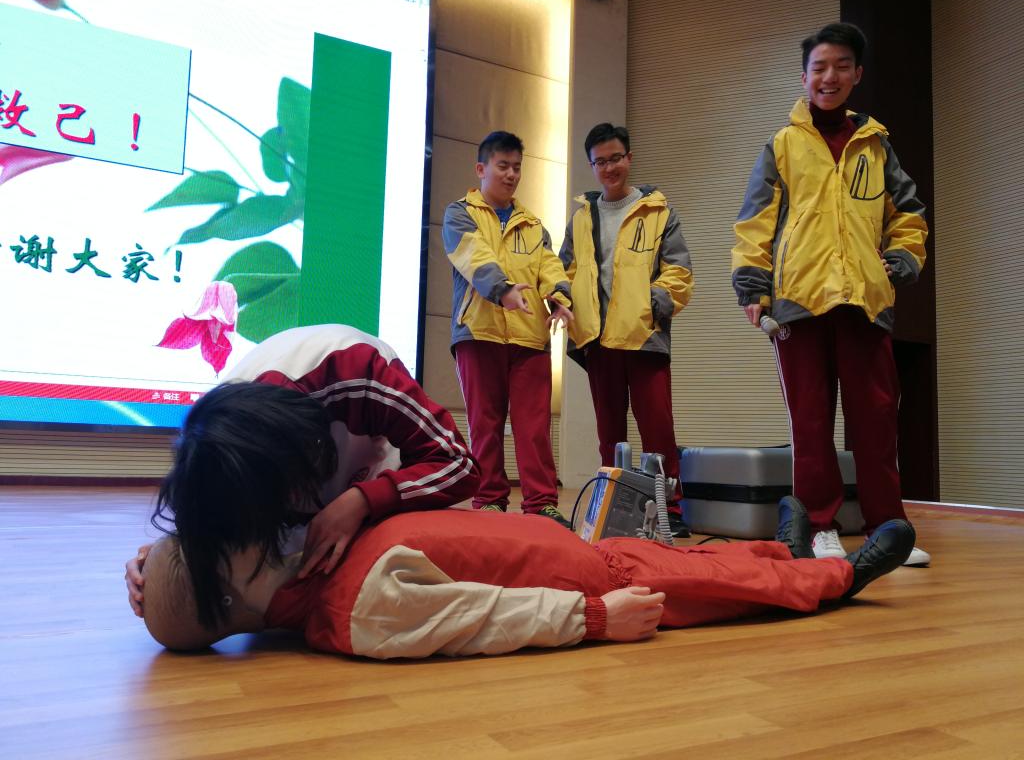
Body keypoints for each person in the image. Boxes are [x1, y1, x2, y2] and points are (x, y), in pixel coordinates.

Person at [140, 497, 916, 658]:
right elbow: (483, 618)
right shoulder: (357, 611)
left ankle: (787, 554)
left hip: (583, 552)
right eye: (225, 550)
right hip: (594, 586)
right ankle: (838, 578)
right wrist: (595, 619)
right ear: (233, 598)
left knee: (708, 562)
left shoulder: (314, 558)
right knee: (730, 596)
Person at [125, 323, 480, 628]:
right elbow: (213, 517)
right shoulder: (216, 447)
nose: (300, 504)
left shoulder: (355, 370)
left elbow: (460, 465)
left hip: (377, 463)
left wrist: (362, 500)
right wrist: (163, 563)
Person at [731, 23, 930, 566]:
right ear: (804, 77)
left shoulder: (876, 145)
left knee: (877, 422)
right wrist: (752, 285)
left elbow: (908, 214)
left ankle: (888, 529)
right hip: (799, 301)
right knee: (811, 423)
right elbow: (755, 222)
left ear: (857, 74)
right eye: (819, 67)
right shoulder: (782, 145)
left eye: (842, 66)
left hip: (865, 301)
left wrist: (901, 260)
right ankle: (820, 526)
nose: (829, 76)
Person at [559, 123, 694, 514]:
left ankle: (669, 510)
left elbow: (679, 271)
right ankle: (614, 510)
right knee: (609, 436)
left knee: (658, 431)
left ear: (629, 158)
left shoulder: (659, 212)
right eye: (600, 161)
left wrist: (650, 306)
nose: (609, 167)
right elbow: (565, 270)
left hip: (644, 336)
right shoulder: (581, 218)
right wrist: (562, 302)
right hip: (599, 341)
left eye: (615, 158)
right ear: (591, 166)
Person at [442, 131, 574, 525]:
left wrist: (560, 298)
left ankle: (541, 503)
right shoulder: (459, 214)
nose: (512, 174)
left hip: (530, 336)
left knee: (534, 427)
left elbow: (549, 265)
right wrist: (502, 290)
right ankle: (489, 500)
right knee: (484, 423)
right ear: (481, 169)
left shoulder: (533, 224)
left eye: (517, 167)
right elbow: (473, 256)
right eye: (503, 166)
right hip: (477, 332)